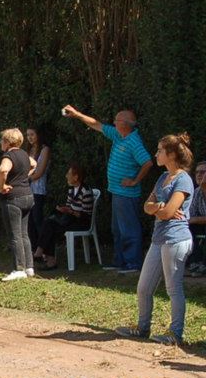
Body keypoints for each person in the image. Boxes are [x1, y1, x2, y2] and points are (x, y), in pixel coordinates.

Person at [116, 133, 195, 345]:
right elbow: (148, 206)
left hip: (176, 240)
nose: (156, 154)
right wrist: (159, 207)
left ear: (170, 154)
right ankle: (142, 328)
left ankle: (175, 334)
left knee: (173, 288)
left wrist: (160, 208)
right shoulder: (162, 178)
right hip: (159, 239)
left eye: (160, 150)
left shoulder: (184, 179)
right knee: (143, 288)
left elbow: (169, 213)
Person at [63, 106, 153, 274]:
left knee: (129, 229)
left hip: (127, 194)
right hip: (117, 192)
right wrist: (77, 115)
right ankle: (120, 261)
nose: (113, 122)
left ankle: (133, 263)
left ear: (126, 124)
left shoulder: (134, 142)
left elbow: (147, 162)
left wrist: (134, 181)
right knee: (117, 229)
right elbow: (97, 125)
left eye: (117, 120)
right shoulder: (119, 135)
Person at [33, 164, 94, 271]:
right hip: (70, 219)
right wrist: (63, 209)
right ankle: (45, 256)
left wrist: (71, 211)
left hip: (81, 223)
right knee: (49, 223)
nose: (66, 176)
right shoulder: (71, 189)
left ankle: (43, 255)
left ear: (76, 177)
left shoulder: (86, 191)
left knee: (50, 226)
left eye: (68, 174)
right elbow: (69, 206)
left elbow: (86, 215)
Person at [0, 128, 37, 281]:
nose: (1, 143)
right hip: (28, 196)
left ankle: (18, 269)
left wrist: (1, 186)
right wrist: (23, 177)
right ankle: (29, 267)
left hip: (13, 199)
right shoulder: (24, 154)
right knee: (24, 234)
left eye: (2, 140)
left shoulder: (8, 156)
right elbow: (34, 165)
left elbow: (3, 170)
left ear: (7, 142)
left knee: (15, 235)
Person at [26, 125, 51, 255]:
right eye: (28, 135)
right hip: (28, 190)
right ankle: (34, 250)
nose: (30, 137)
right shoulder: (29, 150)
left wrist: (25, 179)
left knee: (37, 219)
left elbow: (40, 172)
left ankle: (45, 250)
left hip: (39, 190)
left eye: (32, 134)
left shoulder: (44, 149)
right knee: (29, 222)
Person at [186, 161, 206, 277]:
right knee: (186, 228)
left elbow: (192, 218)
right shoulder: (197, 192)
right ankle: (195, 263)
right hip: (201, 226)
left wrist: (193, 220)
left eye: (203, 172)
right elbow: (190, 215)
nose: (199, 175)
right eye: (197, 172)